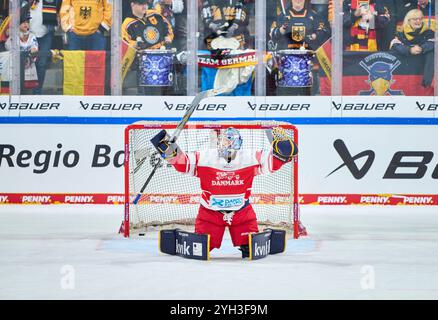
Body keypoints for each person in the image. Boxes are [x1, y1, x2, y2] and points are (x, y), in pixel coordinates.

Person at [150, 126, 298, 258]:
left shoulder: (250, 157)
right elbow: (184, 164)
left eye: (227, 141)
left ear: (237, 142)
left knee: (250, 248)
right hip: (210, 214)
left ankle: (257, 238)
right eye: (222, 141)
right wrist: (171, 152)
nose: (223, 144)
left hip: (241, 214)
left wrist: (282, 153)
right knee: (202, 247)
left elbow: (271, 164)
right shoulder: (206, 157)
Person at [122, 0, 174, 95]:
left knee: (165, 91)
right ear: (132, 4)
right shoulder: (127, 23)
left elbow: (168, 28)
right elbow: (125, 43)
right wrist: (136, 44)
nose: (144, 6)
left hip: (162, 59)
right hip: (143, 62)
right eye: (141, 4)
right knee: (146, 92)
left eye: (145, 4)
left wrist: (168, 37)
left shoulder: (155, 15)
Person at [390, 8, 435, 87]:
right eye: (415, 19)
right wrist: (409, 50)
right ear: (409, 20)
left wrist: (421, 48)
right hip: (405, 74)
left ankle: (427, 83)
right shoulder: (401, 33)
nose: (418, 21)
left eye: (420, 18)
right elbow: (395, 45)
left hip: (423, 73)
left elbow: (433, 43)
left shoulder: (429, 32)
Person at [27, 0, 62, 94]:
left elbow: (60, 9)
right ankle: (23, 91)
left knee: (41, 64)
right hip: (27, 34)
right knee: (24, 62)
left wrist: (56, 23)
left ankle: (37, 92)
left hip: (45, 34)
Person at [5, 3, 39, 92]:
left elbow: (35, 47)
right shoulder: (13, 36)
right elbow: (8, 48)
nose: (26, 24)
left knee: (28, 92)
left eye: (27, 22)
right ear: (18, 24)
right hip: (15, 70)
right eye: (23, 22)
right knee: (15, 91)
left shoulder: (32, 36)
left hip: (29, 70)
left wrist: (33, 51)